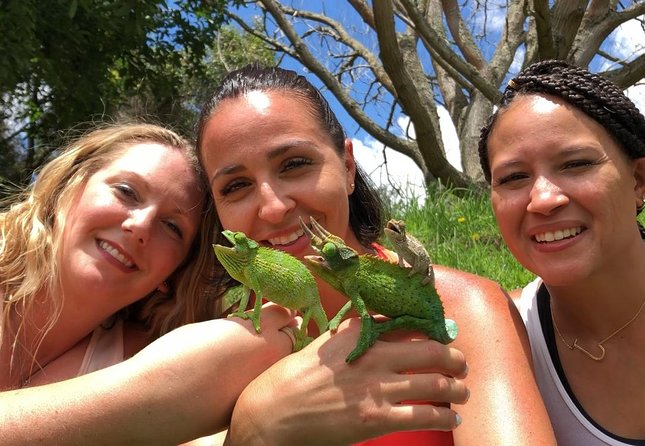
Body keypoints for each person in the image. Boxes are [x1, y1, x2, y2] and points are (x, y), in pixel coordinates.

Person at [195, 64, 557, 445]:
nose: (272, 208)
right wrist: (253, 427)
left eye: (295, 164)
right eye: (236, 186)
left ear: (348, 167)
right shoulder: (225, 337)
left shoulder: (464, 308)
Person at [0, 122, 299, 444]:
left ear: (173, 273)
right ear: (69, 188)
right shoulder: (153, 382)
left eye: (172, 226)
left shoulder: (155, 355)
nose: (140, 226)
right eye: (126, 192)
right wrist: (144, 395)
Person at [478, 59, 645, 444]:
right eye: (514, 178)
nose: (543, 200)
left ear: (638, 180)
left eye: (576, 164)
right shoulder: (500, 339)